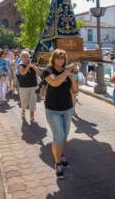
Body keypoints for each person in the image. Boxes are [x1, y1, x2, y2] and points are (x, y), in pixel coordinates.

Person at [43, 49, 78, 179]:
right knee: (58, 137)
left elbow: (74, 90)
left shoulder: (68, 71)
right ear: (53, 59)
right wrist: (66, 72)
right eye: (58, 58)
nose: (60, 60)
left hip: (67, 108)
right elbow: (55, 82)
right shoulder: (48, 70)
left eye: (62, 58)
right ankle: (58, 163)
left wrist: (72, 78)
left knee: (65, 136)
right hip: (53, 110)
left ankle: (61, 155)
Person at [18, 50, 40, 122]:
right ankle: (23, 111)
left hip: (33, 85)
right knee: (24, 101)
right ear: (21, 57)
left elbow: (39, 73)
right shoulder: (20, 65)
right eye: (24, 56)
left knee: (33, 101)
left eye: (27, 56)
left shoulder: (32, 65)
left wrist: (34, 67)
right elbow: (23, 73)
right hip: (23, 86)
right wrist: (28, 65)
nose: (26, 58)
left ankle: (32, 116)